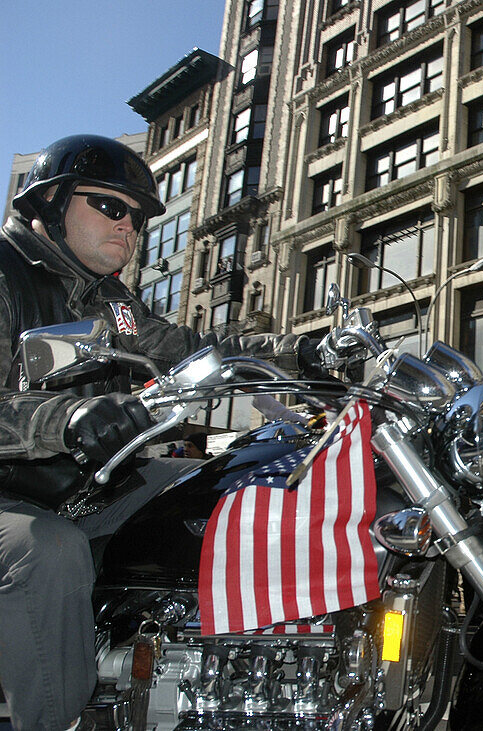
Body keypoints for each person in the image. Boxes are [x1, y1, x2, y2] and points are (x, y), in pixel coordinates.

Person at [0, 135, 329, 730]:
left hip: (86, 489)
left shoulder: (111, 302)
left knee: (233, 487)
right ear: (50, 202)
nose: (129, 226)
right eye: (111, 207)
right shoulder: (5, 273)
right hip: (13, 499)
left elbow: (196, 350)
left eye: (139, 216)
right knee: (45, 553)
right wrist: (68, 418)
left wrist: (306, 354)